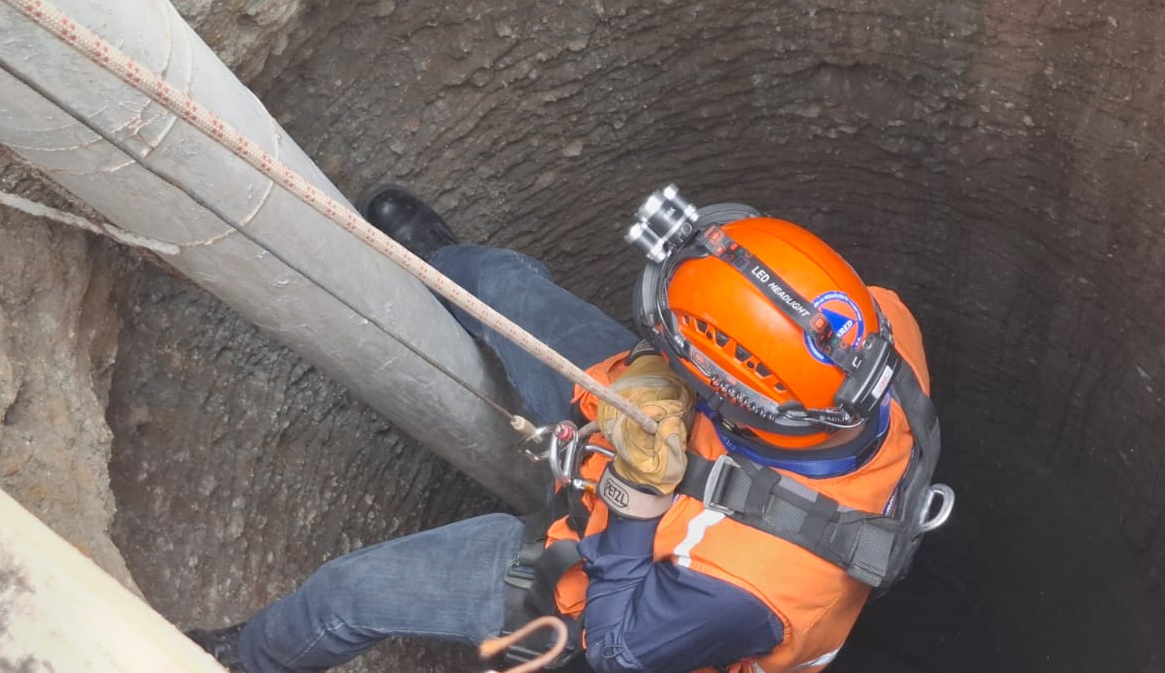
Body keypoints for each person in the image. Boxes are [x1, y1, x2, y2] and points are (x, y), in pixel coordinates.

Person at [187, 184, 946, 673]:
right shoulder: (879, 327)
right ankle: (443, 264)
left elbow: (617, 647)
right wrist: (658, 370)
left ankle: (245, 661)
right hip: (664, 436)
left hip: (628, 577)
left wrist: (634, 501)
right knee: (504, 289)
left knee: (343, 596)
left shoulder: (748, 591)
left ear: (727, 394)